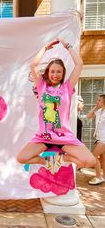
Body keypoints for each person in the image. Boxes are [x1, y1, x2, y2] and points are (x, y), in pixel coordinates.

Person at [17, 39, 96, 172]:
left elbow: (79, 64)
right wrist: (44, 48)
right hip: (45, 136)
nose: (55, 75)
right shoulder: (41, 86)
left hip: (64, 137)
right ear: (48, 72)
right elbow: (33, 66)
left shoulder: (67, 87)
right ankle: (48, 162)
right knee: (21, 158)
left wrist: (68, 46)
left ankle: (62, 159)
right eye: (52, 71)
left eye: (58, 72)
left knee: (90, 161)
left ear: (63, 73)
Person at [87, 95, 105, 185]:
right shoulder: (99, 111)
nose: (97, 101)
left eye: (99, 100)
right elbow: (89, 116)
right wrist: (95, 107)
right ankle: (103, 176)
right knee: (103, 158)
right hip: (99, 138)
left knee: (94, 156)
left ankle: (98, 177)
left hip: (104, 139)